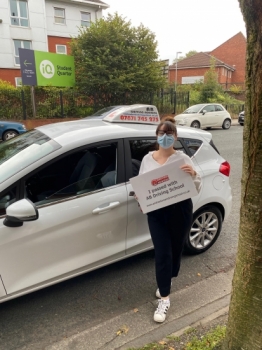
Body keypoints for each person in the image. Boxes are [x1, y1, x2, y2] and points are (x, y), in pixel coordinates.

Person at [137, 117, 202, 323]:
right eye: (161, 134)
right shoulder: (147, 160)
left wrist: (193, 174)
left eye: (169, 134)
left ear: (175, 137)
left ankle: (167, 280)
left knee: (176, 249)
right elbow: (141, 186)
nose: (165, 138)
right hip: (156, 214)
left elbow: (197, 186)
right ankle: (164, 298)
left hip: (180, 211)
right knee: (162, 253)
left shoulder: (183, 159)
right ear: (157, 136)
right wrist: (141, 199)